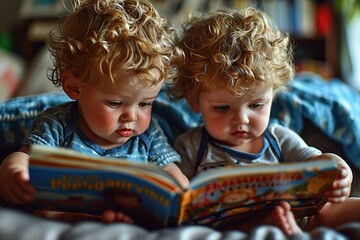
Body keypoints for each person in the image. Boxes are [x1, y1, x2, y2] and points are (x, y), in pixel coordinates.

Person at [167, 7, 359, 236]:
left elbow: (316, 162)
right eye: (223, 108)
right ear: (194, 102)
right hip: (232, 225)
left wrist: (338, 171)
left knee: (339, 208)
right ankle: (268, 228)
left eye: (256, 105)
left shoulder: (278, 137)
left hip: (297, 216)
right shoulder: (191, 145)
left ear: (272, 95)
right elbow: (181, 200)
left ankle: (284, 226)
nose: (242, 119)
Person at [0, 0, 189, 226]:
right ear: (74, 87)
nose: (132, 116)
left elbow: (170, 170)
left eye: (145, 104)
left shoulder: (148, 135)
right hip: (64, 212)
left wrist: (185, 193)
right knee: (45, 209)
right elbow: (26, 156)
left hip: (127, 215)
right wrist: (14, 171)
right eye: (115, 102)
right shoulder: (58, 123)